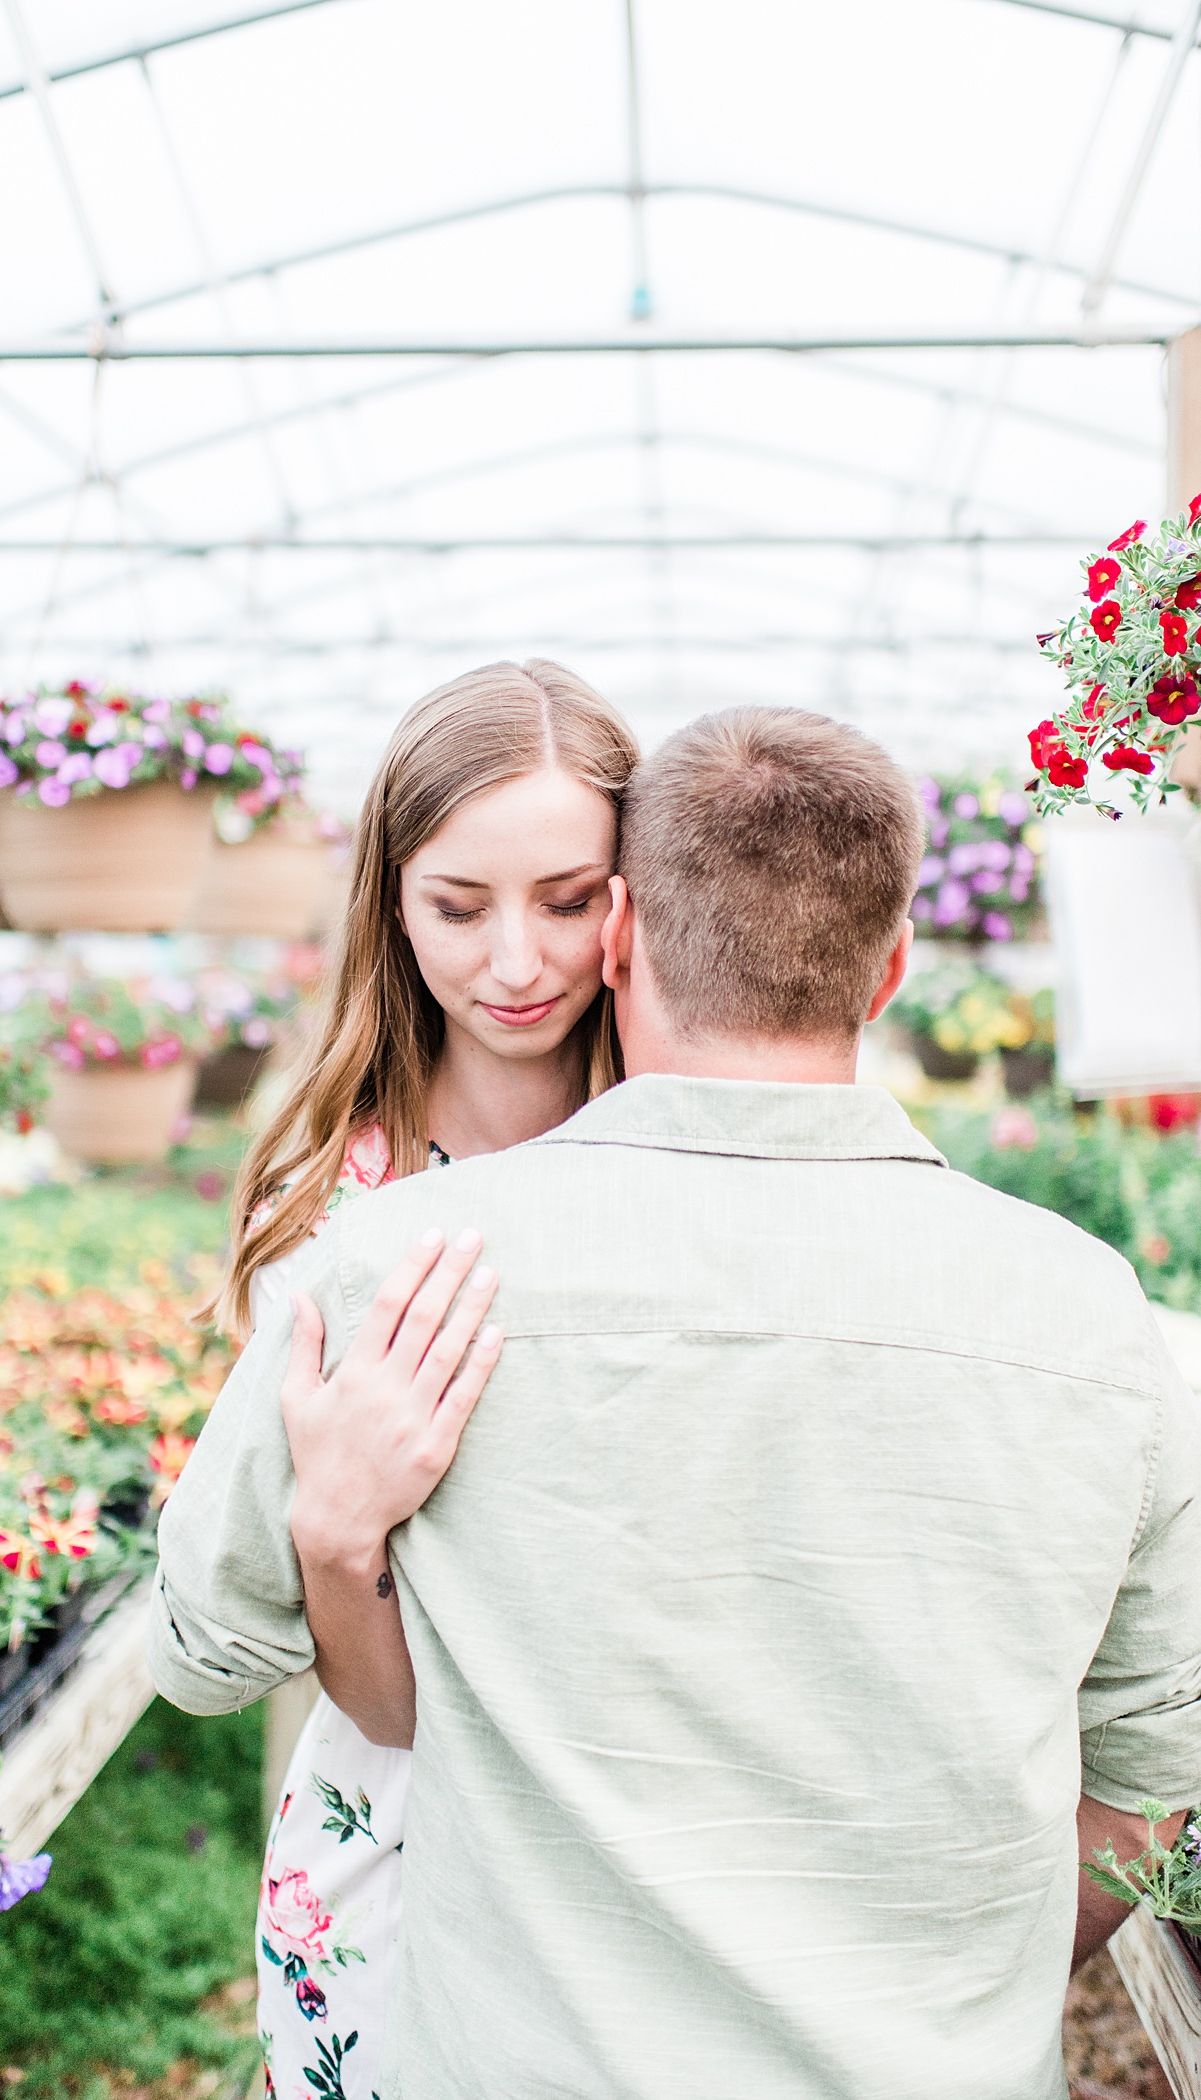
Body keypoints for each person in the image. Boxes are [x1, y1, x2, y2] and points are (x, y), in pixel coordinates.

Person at [152, 706, 1201, 2100]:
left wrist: (334, 1530)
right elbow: (1144, 1790)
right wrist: (965, 1989)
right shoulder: (1115, 1336)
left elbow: (202, 1648)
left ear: (623, 931)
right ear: (889, 969)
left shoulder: (391, 1270)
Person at [207, 658, 638, 2098]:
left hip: (667, 1834)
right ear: (389, 903)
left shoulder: (697, 1160)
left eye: (569, 900)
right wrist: (336, 1534)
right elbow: (386, 1708)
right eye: (457, 907)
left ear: (638, 893)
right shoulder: (336, 1209)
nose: (514, 963)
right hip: (405, 1847)